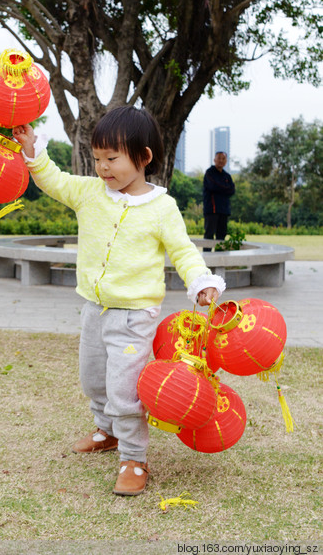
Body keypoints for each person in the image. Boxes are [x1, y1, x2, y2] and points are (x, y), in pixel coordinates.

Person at [12, 106, 225, 497]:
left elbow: (184, 252)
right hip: (94, 308)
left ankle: (133, 457)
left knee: (125, 390)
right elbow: (54, 180)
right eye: (97, 159)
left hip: (133, 316)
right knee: (93, 378)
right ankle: (106, 431)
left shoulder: (163, 208)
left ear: (143, 157)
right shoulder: (90, 193)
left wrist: (201, 282)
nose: (103, 168)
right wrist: (32, 150)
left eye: (112, 158)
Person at [203, 152, 236, 251]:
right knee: (209, 235)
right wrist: (225, 188)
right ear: (215, 160)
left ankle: (219, 260)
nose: (221, 160)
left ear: (226, 161)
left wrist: (221, 188)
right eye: (219, 158)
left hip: (224, 210)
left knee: (221, 236)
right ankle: (207, 259)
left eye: (223, 159)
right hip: (212, 209)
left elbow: (232, 190)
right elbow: (213, 186)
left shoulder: (227, 176)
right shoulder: (209, 173)